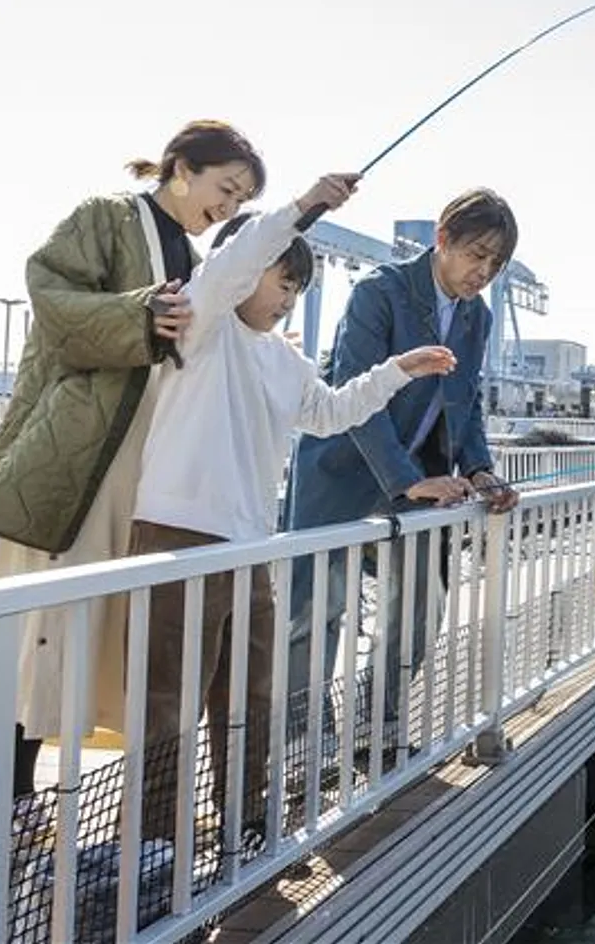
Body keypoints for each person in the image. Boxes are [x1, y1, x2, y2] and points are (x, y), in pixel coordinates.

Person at [126, 171, 457, 843]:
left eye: (298, 288)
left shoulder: (285, 361)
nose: (288, 298)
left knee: (249, 692)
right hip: (178, 533)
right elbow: (231, 263)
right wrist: (304, 208)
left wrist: (401, 370)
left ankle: (245, 820)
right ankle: (157, 838)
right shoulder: (203, 326)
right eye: (283, 281)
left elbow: (331, 413)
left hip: (251, 543)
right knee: (170, 696)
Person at [0, 120, 265, 799]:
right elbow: (52, 296)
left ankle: (45, 795)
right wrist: (140, 314)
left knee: (95, 631)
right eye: (227, 187)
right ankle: (9, 795)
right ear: (181, 168)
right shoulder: (105, 217)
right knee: (46, 630)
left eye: (243, 198)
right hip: (80, 456)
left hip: (144, 464)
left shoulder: (190, 255)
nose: (231, 207)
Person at [284, 188, 521, 753]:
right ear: (443, 240)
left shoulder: (476, 315)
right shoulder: (379, 293)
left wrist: (481, 469)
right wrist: (405, 479)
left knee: (421, 602)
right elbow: (354, 390)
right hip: (342, 468)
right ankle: (300, 746)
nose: (482, 272)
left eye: (495, 263)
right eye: (476, 254)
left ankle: (377, 726)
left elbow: (465, 402)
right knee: (317, 609)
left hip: (418, 476)